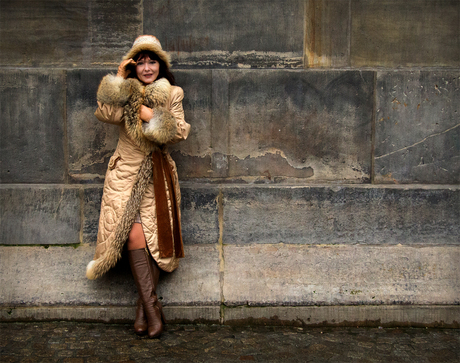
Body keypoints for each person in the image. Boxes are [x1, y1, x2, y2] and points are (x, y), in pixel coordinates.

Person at [85, 35, 191, 339]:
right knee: (132, 235)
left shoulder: (172, 93)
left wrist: (146, 113)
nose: (147, 67)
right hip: (125, 174)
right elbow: (105, 113)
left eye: (152, 61)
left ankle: (144, 311)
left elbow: (180, 131)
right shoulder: (125, 91)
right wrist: (119, 80)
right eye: (140, 61)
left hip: (157, 175)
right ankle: (152, 307)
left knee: (153, 239)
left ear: (161, 64)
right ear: (134, 66)